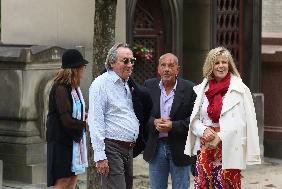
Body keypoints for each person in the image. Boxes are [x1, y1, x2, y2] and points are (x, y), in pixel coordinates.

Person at [184, 47, 261, 189]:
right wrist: (203, 131)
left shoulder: (240, 89)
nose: (221, 66)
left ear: (229, 65)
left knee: (226, 185)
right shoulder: (201, 89)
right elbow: (194, 119)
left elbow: (244, 123)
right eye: (216, 62)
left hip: (229, 146)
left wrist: (220, 136)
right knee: (203, 185)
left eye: (224, 62)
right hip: (205, 146)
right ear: (210, 66)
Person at [88, 42, 152, 189]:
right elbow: (95, 121)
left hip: (128, 149)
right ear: (112, 63)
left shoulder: (128, 83)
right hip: (111, 147)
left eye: (132, 61)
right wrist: (100, 156)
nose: (130, 64)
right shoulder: (100, 85)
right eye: (125, 61)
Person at [143, 53, 196, 189]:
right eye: (163, 65)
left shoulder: (190, 88)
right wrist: (154, 122)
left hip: (180, 147)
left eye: (171, 66)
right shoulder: (149, 86)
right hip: (156, 147)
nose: (167, 69)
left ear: (177, 69)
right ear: (158, 69)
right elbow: (141, 115)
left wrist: (173, 125)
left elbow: (195, 119)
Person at [46, 49, 88, 188]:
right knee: (63, 181)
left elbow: (74, 111)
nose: (84, 69)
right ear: (75, 69)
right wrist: (85, 124)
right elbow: (66, 120)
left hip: (73, 140)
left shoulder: (74, 87)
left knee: (72, 178)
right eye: (82, 66)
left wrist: (84, 116)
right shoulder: (60, 88)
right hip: (61, 141)